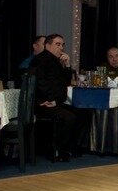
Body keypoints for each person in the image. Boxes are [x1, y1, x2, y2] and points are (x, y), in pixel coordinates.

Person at [30, 34, 80, 162]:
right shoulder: (41, 59)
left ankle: (70, 148)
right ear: (47, 45)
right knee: (69, 117)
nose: (61, 48)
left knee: (82, 113)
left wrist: (67, 65)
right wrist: (50, 99)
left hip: (55, 102)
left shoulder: (55, 61)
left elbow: (66, 81)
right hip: (43, 103)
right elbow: (40, 82)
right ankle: (58, 150)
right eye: (57, 44)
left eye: (62, 45)